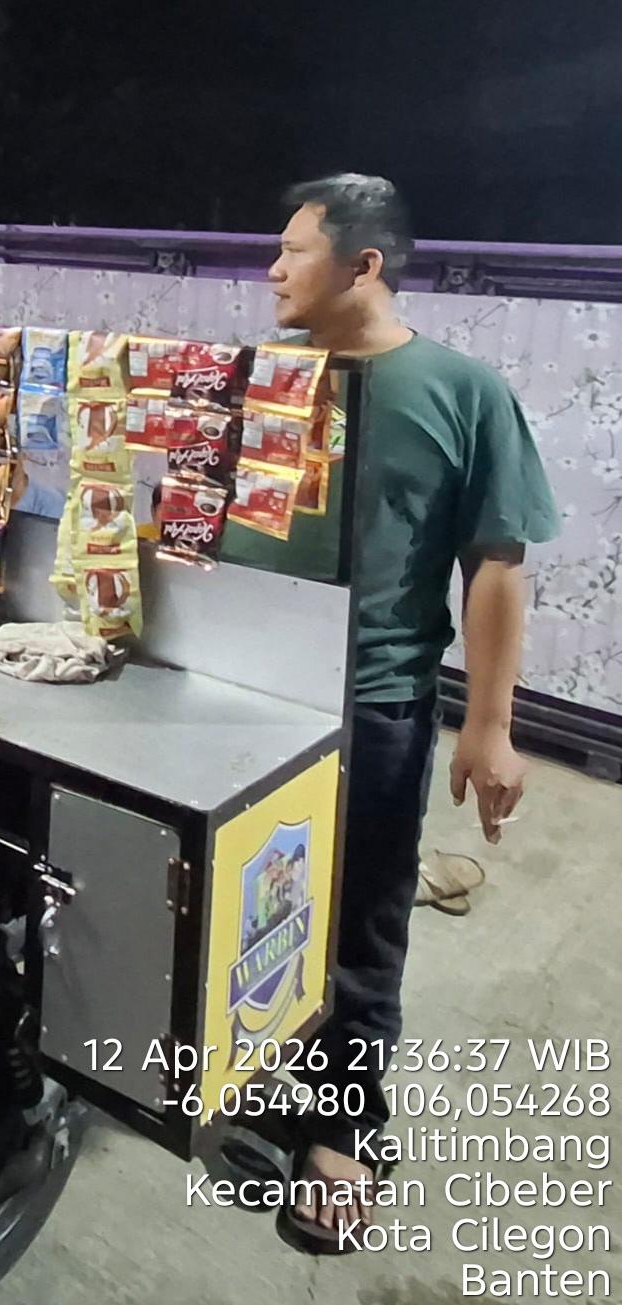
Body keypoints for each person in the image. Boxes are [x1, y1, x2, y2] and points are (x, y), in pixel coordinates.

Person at [233, 174, 558, 1252]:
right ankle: (243, 1059)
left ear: (362, 265)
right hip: (240, 691)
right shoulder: (266, 377)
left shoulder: (463, 390)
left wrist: (489, 725)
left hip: (371, 704)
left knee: (362, 923)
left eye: (293, 250)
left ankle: (343, 1132)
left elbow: (496, 564)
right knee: (251, 905)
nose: (272, 270)